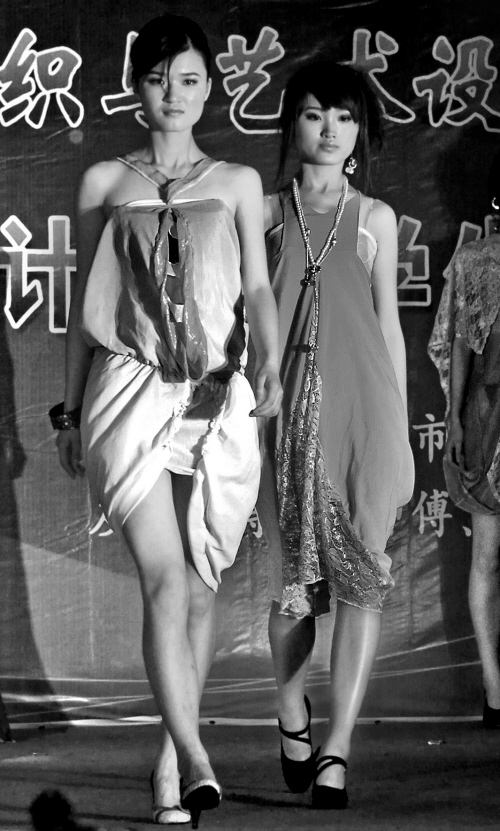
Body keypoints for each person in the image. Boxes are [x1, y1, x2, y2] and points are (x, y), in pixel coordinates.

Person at [51, 13, 282, 828]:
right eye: (156, 79)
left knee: (202, 584)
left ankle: (167, 760)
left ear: (209, 87)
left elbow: (258, 287)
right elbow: (83, 310)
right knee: (165, 577)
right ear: (135, 88)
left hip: (217, 396)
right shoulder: (104, 183)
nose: (172, 95)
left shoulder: (240, 182)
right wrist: (69, 410)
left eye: (187, 79)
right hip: (128, 392)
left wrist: (270, 363)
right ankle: (197, 755)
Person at [257, 61, 414, 809]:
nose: (329, 129)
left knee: (364, 583)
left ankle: (338, 748)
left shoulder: (376, 218)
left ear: (361, 131)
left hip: (367, 418)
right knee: (294, 591)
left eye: (345, 117)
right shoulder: (262, 212)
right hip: (286, 417)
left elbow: (390, 327)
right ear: (293, 122)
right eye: (316, 113)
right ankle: (292, 711)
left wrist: (402, 431)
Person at [428, 152, 500, 729]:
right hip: (488, 418)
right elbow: (456, 342)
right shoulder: (476, 261)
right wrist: (453, 418)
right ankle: (495, 690)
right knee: (488, 557)